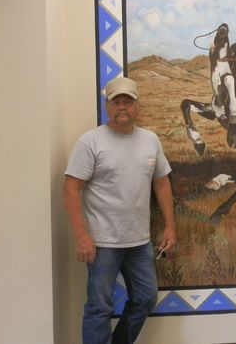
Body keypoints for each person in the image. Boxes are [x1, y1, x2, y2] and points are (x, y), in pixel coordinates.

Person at [63, 76, 177, 344]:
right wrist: (81, 236)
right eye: (117, 102)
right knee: (99, 308)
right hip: (101, 244)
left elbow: (161, 184)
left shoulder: (151, 140)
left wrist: (170, 226)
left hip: (140, 242)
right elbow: (70, 189)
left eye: (128, 101)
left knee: (146, 298)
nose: (122, 107)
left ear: (138, 106)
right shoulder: (90, 142)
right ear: (107, 106)